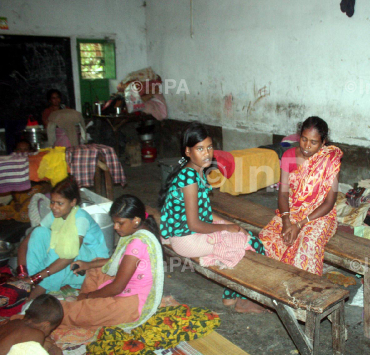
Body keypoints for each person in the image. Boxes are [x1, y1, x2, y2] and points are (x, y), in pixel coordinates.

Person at [159, 122, 267, 313]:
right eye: (200, 149)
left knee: (246, 235)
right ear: (187, 152)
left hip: (189, 230)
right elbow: (194, 223)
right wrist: (226, 229)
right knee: (248, 245)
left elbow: (204, 213)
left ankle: (233, 295)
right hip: (186, 238)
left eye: (209, 147)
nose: (207, 153)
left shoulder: (196, 171)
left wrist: (230, 224)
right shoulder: (189, 178)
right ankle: (235, 298)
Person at [58, 194, 164, 331]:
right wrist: (88, 265)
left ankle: (85, 303)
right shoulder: (142, 230)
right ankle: (88, 303)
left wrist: (88, 296)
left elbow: (117, 288)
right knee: (95, 264)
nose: (115, 227)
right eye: (114, 222)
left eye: (120, 223)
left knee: (69, 313)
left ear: (136, 220)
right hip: (128, 287)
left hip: (130, 303)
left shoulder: (137, 243)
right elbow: (120, 260)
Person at [259, 116, 343, 276]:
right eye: (304, 139)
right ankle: (269, 287)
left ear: (323, 142)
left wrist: (299, 225)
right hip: (291, 211)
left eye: (313, 142)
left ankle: (299, 293)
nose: (307, 146)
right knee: (267, 240)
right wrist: (286, 221)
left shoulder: (329, 161)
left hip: (319, 216)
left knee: (305, 247)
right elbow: (283, 194)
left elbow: (329, 203)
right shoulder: (289, 156)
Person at [16, 176, 109, 300]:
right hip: (67, 260)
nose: (54, 207)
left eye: (60, 203)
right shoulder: (56, 214)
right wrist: (22, 272)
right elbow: (27, 241)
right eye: (52, 202)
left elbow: (68, 256)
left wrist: (38, 277)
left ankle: (36, 291)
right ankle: (30, 282)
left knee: (61, 246)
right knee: (38, 232)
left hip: (88, 265)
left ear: (73, 202)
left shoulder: (80, 219)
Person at [0, 141, 51, 223]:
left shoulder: (37, 162)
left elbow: (46, 185)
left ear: (31, 151)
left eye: (26, 149)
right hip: (18, 200)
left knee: (26, 215)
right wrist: (16, 202)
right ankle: (14, 214)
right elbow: (12, 188)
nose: (23, 152)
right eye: (19, 149)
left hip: (33, 197)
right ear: (15, 151)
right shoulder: (11, 165)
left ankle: (16, 216)